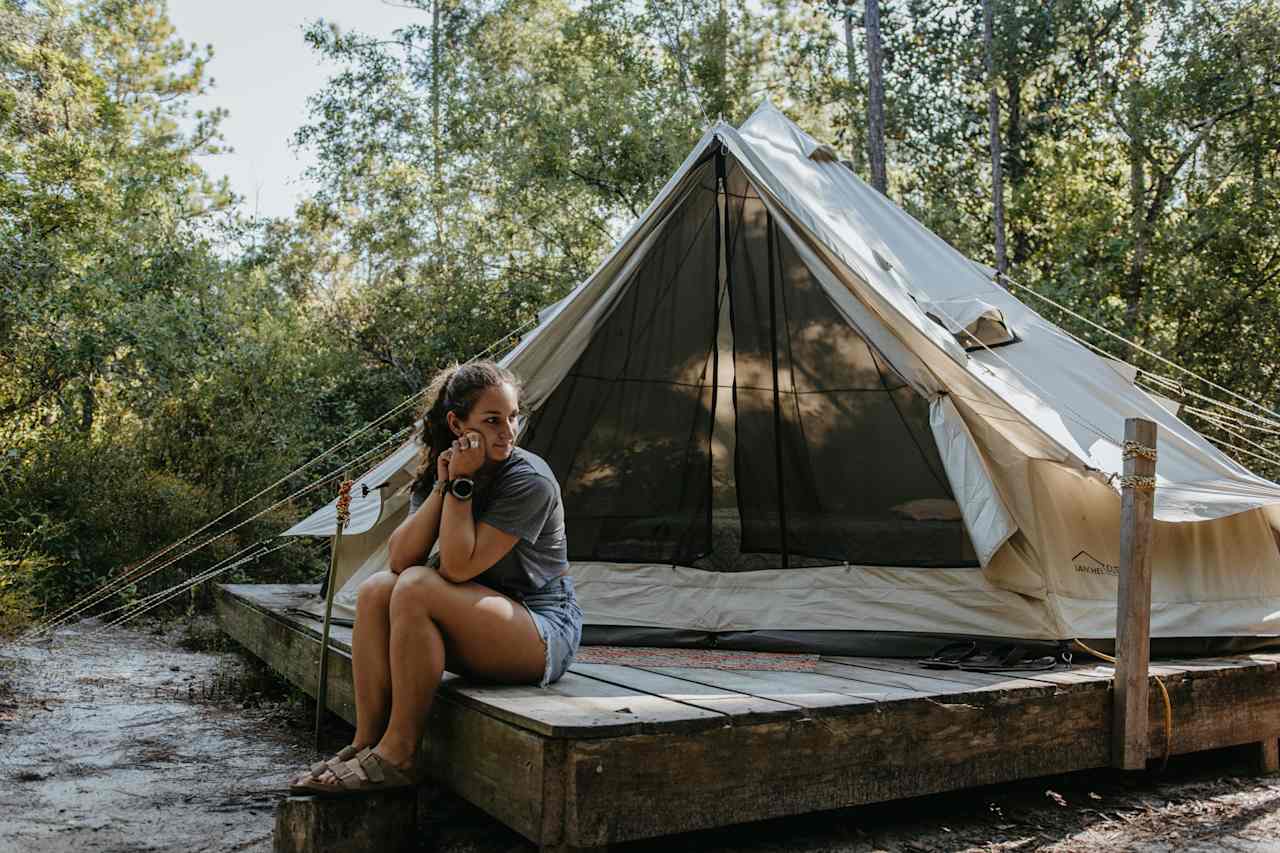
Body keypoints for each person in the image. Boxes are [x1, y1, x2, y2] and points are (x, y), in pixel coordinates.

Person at [292, 361, 581, 796]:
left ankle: (400, 754)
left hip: (541, 630)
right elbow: (400, 558)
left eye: (513, 416)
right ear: (456, 423)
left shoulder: (530, 479)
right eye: (492, 420)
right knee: (376, 591)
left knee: (417, 587)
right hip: (479, 619)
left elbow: (457, 569)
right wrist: (446, 483)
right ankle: (367, 741)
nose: (508, 431)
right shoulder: (444, 468)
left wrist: (461, 484)